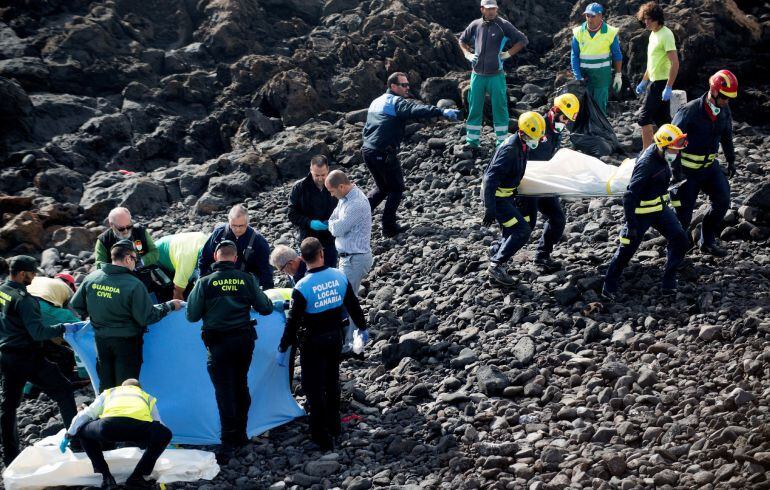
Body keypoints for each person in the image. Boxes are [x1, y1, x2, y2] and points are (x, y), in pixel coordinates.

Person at [186, 240, 274, 463]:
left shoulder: (204, 283)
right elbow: (266, 307)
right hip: (244, 340)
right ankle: (242, 434)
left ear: (216, 257)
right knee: (241, 383)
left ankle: (228, 439)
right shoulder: (246, 280)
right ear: (235, 258)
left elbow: (191, 315)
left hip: (218, 344)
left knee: (224, 391)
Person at [276, 238, 367, 451]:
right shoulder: (338, 276)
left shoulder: (302, 286)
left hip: (312, 341)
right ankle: (335, 426)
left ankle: (320, 434)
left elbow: (293, 321)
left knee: (313, 387)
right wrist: (362, 328)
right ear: (321, 254)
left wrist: (283, 347)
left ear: (302, 258)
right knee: (332, 380)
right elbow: (353, 305)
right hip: (335, 337)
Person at [71, 241, 182, 392]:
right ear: (128, 258)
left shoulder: (92, 278)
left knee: (106, 387)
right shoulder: (133, 284)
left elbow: (76, 304)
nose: (135, 264)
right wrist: (170, 306)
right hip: (127, 344)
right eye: (135, 259)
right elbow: (147, 317)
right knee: (127, 388)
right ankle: (124, 415)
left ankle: (107, 414)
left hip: (101, 342)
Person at [0, 256, 78, 466]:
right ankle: (76, 443)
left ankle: (10, 456)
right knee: (64, 390)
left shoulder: (2, 291)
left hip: (6, 356)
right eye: (33, 273)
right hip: (28, 357)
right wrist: (65, 327)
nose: (34, 277)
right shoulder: (24, 300)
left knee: (8, 406)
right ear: (23, 273)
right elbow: (38, 332)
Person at [362, 72, 460, 237]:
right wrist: (441, 111)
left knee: (383, 187)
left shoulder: (376, 101)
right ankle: (388, 228)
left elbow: (369, 128)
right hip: (383, 152)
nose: (408, 88)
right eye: (404, 85)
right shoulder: (396, 102)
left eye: (408, 84)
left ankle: (356, 219)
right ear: (393, 86)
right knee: (396, 188)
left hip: (367, 151)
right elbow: (415, 109)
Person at [602, 124, 689, 300]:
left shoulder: (665, 154)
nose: (676, 154)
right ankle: (608, 286)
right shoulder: (646, 165)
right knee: (626, 250)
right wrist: (632, 224)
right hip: (641, 214)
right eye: (673, 150)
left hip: (660, 210)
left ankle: (669, 282)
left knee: (680, 238)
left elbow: (674, 171)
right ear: (663, 146)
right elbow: (629, 196)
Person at [671, 69, 738, 257]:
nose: (727, 101)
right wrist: (675, 173)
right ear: (714, 91)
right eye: (724, 96)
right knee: (682, 217)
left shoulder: (724, 109)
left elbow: (726, 136)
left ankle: (706, 241)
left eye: (729, 98)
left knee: (723, 201)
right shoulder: (689, 111)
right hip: (687, 172)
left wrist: (731, 160)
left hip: (709, 168)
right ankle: (677, 255)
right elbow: (672, 142)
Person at [60, 379, 172, 490]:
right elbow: (158, 422)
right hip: (137, 430)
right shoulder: (146, 396)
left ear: (122, 387)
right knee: (164, 434)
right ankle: (137, 477)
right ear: (139, 388)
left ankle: (106, 477)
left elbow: (86, 414)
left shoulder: (110, 392)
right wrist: (166, 442)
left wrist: (69, 435)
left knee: (82, 431)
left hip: (108, 428)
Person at [515, 94, 581, 272]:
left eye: (568, 120)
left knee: (557, 219)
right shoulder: (537, 125)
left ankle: (542, 256)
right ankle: (498, 255)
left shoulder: (556, 131)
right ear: (555, 111)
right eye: (564, 118)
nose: (565, 123)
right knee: (525, 226)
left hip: (544, 182)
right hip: (526, 184)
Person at [482, 112, 546, 286]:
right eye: (535, 137)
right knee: (522, 230)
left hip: (507, 197)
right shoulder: (510, 150)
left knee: (514, 230)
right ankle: (496, 265)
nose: (537, 141)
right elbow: (490, 179)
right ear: (523, 132)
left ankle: (496, 253)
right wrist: (490, 208)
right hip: (498, 200)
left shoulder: (522, 144)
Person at [459, 0, 529, 147]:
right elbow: (462, 40)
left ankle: (502, 142)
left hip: (496, 76)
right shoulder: (475, 24)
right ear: (482, 9)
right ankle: (472, 141)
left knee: (500, 107)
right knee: (474, 107)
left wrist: (508, 54)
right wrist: (467, 54)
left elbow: (523, 40)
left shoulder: (503, 25)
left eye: (494, 9)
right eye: (488, 9)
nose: (492, 11)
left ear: (497, 9)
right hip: (477, 75)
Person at [325, 170, 372, 355]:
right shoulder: (344, 198)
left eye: (332, 191)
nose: (331, 195)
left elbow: (337, 228)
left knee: (349, 301)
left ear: (342, 187)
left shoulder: (356, 204)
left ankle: (352, 345)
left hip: (355, 259)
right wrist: (333, 224)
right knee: (345, 299)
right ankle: (347, 337)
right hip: (347, 257)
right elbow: (332, 219)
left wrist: (333, 225)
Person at [635, 2, 679, 149]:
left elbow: (675, 63)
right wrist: (643, 81)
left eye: (649, 19)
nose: (646, 22)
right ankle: (673, 150)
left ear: (657, 19)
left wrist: (668, 87)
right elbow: (652, 63)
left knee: (644, 118)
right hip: (654, 81)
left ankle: (645, 154)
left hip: (661, 83)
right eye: (644, 19)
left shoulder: (666, 35)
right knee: (663, 121)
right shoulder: (653, 34)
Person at [198, 204, 274, 289]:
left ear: (247, 222)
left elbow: (266, 269)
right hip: (219, 277)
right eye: (234, 225)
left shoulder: (258, 240)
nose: (237, 229)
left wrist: (268, 292)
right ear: (229, 221)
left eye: (241, 225)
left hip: (246, 280)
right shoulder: (219, 233)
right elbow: (204, 258)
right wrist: (202, 282)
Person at [571, 2, 623, 114]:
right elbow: (574, 55)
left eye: (593, 16)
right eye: (587, 15)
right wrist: (578, 76)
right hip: (584, 77)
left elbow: (617, 55)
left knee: (599, 107)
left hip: (602, 76)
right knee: (583, 107)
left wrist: (618, 75)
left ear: (600, 16)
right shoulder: (578, 32)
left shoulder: (610, 32)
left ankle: (600, 130)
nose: (589, 19)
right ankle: (585, 131)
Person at [27, 276, 81, 382]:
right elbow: (74, 321)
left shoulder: (40, 279)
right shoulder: (68, 290)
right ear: (69, 284)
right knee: (81, 329)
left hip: (19, 306)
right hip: (41, 306)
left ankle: (27, 388)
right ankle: (81, 371)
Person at [288, 155, 339, 267]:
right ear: (311, 170)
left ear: (328, 170)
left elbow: (344, 208)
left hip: (330, 239)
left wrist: (333, 222)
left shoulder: (336, 184)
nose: (320, 179)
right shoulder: (299, 187)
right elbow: (292, 214)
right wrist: (309, 223)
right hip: (307, 240)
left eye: (323, 175)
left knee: (330, 272)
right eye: (316, 175)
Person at [94, 207, 158, 270]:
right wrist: (120, 267)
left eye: (129, 226)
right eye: (121, 228)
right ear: (111, 225)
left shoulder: (140, 231)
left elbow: (154, 252)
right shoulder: (103, 240)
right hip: (118, 277)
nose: (126, 231)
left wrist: (141, 262)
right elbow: (100, 266)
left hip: (144, 271)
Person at [155, 231, 208, 300]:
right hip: (159, 254)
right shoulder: (187, 262)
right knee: (171, 287)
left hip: (176, 245)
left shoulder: (208, 243)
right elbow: (177, 292)